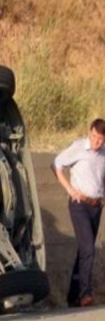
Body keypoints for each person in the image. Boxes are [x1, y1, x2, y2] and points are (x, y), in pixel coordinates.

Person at [52, 118, 105, 308]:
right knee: (89, 248)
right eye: (94, 137)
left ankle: (72, 296)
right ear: (89, 131)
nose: (96, 142)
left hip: (96, 206)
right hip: (79, 204)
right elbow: (56, 164)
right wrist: (69, 189)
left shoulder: (104, 153)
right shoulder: (79, 148)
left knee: (84, 249)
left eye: (100, 140)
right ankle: (85, 294)